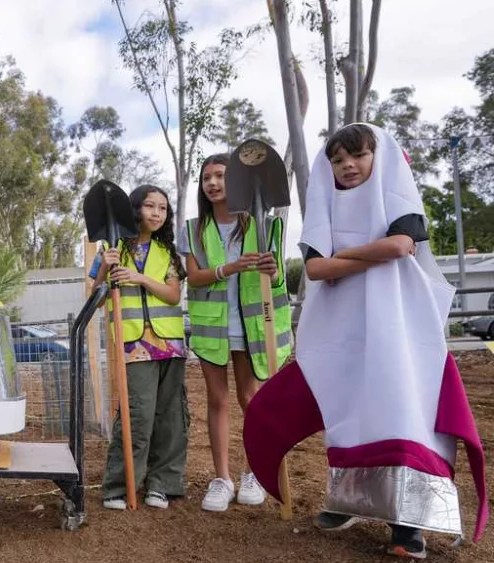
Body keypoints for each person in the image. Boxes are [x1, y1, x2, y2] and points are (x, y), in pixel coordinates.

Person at [243, 124, 487, 559]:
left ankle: (407, 524)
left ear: (379, 159)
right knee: (350, 412)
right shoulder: (328, 207)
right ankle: (348, 500)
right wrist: (363, 254)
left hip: (399, 328)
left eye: (358, 156)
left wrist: (344, 256)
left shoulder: (396, 198)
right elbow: (316, 270)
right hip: (346, 330)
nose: (348, 166)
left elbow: (400, 245)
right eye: (337, 160)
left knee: (401, 412)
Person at [177, 153, 291, 513]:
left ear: (236, 181)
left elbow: (277, 277)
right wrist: (228, 268)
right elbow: (193, 277)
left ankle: (254, 473)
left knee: (250, 399)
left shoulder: (262, 224)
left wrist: (271, 271)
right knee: (217, 400)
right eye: (206, 177)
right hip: (213, 327)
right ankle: (221, 478)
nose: (212, 183)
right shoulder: (193, 229)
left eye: (220, 176)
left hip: (250, 326)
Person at [89, 185, 187, 511]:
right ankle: (121, 484)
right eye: (150, 206)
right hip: (134, 344)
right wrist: (105, 266)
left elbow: (173, 295)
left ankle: (162, 484)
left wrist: (140, 278)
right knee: (138, 415)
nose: (156, 213)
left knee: (170, 416)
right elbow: (94, 290)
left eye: (162, 208)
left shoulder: (168, 252)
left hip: (169, 344)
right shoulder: (112, 249)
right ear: (135, 210)